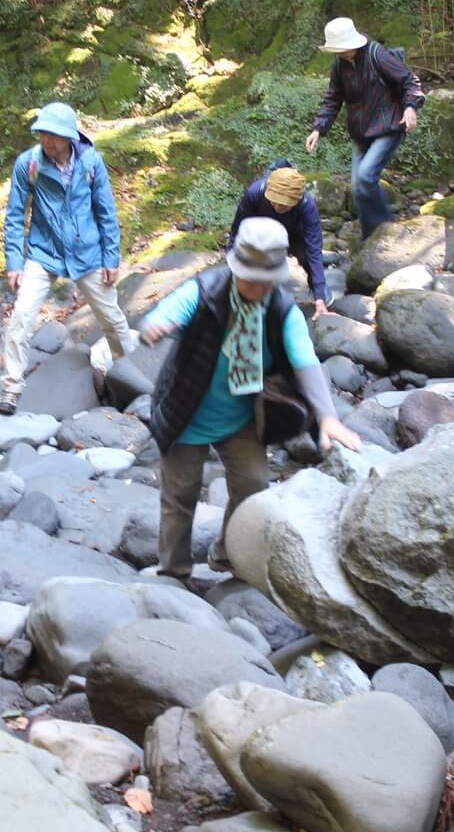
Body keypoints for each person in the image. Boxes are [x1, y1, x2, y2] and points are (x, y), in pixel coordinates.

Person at [137, 218, 363, 579]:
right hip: (186, 413)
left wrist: (328, 417)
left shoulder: (282, 311)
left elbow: (306, 360)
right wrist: (155, 326)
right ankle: (173, 573)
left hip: (243, 417)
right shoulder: (206, 289)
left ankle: (228, 553)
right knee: (179, 498)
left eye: (263, 281)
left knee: (254, 487)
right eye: (248, 278)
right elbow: (170, 310)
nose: (254, 288)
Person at [0, 101, 135, 415]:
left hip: (87, 253)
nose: (47, 140)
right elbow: (15, 216)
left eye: (54, 135)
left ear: (70, 136)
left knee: (112, 318)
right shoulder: (29, 164)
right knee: (21, 317)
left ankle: (130, 379)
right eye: (43, 133)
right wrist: (14, 261)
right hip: (43, 252)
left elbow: (106, 213)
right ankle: (10, 390)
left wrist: (111, 257)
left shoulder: (90, 163)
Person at [306, 16, 425, 239]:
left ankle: (385, 229)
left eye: (340, 48)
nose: (338, 53)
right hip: (361, 132)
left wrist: (410, 108)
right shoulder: (340, 65)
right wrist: (318, 129)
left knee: (367, 176)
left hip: (389, 126)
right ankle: (371, 236)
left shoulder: (377, 54)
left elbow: (409, 80)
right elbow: (333, 99)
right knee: (358, 187)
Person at [227, 162, 330, 319]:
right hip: (261, 233)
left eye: (283, 203)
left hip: (294, 235)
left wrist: (320, 298)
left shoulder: (307, 207)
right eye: (273, 200)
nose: (276, 205)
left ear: (296, 200)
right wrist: (231, 273)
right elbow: (237, 232)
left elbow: (314, 250)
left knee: (308, 257)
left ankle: (319, 292)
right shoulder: (255, 193)